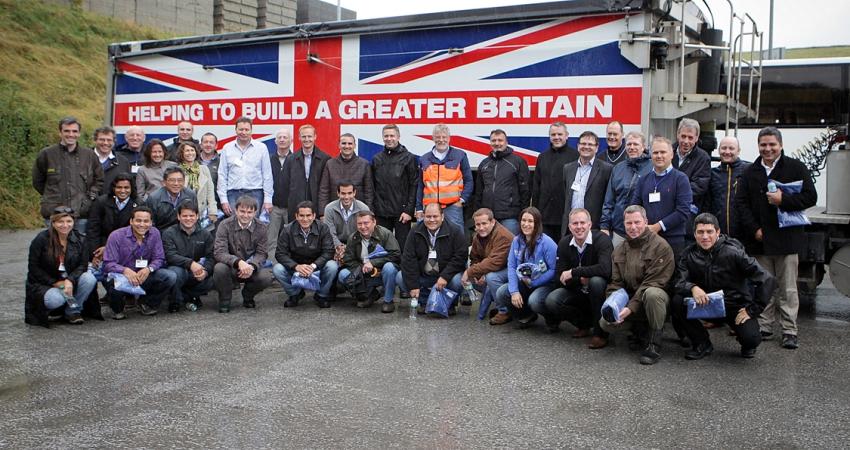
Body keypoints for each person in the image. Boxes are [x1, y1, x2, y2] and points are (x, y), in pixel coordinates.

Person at [735, 127, 817, 350]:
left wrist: (784, 200)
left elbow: (811, 196)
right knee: (764, 287)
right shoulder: (750, 172)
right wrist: (754, 230)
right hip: (760, 240)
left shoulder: (795, 167)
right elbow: (741, 204)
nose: (767, 148)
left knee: (788, 289)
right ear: (758, 146)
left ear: (780, 145)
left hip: (787, 240)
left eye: (772, 144)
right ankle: (765, 325)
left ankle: (790, 330)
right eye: (763, 144)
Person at [672, 213, 776, 359]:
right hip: (705, 304)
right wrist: (692, 287)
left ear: (718, 232)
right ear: (694, 234)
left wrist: (752, 310)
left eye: (709, 232)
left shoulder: (734, 252)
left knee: (751, 339)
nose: (705, 236)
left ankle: (747, 342)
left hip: (733, 306)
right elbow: (677, 282)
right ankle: (702, 343)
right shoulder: (687, 254)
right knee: (677, 301)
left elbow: (767, 280)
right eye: (700, 232)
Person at [599, 205, 675, 365]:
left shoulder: (661, 247)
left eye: (637, 222)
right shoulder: (619, 250)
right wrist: (614, 304)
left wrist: (630, 308)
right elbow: (616, 283)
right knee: (605, 323)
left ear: (646, 222)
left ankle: (654, 343)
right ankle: (638, 331)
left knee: (652, 294)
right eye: (629, 223)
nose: (633, 227)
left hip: (657, 301)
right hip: (632, 301)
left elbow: (653, 283)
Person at [541, 208, 613, 348]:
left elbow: (605, 269)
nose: (579, 227)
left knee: (596, 281)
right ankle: (584, 324)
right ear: (569, 227)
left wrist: (574, 272)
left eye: (582, 223)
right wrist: (580, 279)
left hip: (599, 291)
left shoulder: (602, 240)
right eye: (575, 223)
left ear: (590, 225)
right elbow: (559, 277)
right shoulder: (564, 243)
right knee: (552, 300)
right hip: (577, 289)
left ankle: (600, 334)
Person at [25, 207, 98, 326]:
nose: (65, 225)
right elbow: (34, 268)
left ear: (74, 222)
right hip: (45, 283)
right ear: (53, 223)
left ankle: (73, 311)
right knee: (55, 300)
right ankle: (55, 309)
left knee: (90, 278)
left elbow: (83, 265)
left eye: (69, 221)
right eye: (60, 222)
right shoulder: (41, 239)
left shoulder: (81, 239)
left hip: (70, 280)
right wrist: (54, 282)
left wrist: (70, 280)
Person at [102, 206, 177, 319]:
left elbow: (159, 258)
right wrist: (125, 271)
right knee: (111, 282)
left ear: (151, 222)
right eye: (138, 220)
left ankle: (146, 303)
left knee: (169, 276)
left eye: (146, 221)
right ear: (131, 221)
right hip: (121, 276)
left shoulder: (155, 233)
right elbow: (108, 263)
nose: (142, 224)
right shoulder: (116, 236)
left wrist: (149, 269)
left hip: (143, 275)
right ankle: (117, 308)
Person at [32, 116, 104, 233]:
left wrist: (89, 198)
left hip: (81, 214)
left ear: (79, 133)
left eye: (74, 131)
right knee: (54, 249)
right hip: (54, 214)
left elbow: (99, 179)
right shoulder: (46, 154)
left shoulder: (89, 155)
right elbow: (38, 182)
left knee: (79, 249)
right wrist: (52, 195)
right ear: (60, 132)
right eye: (67, 131)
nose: (71, 134)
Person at [490, 207, 557, 327]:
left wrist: (534, 283)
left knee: (534, 301)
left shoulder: (547, 243)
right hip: (525, 282)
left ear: (537, 223)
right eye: (523, 220)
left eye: (530, 221)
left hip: (545, 284)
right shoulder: (516, 240)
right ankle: (526, 315)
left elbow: (554, 269)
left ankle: (552, 318)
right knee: (502, 292)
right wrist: (514, 291)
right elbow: (511, 266)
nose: (526, 224)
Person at [399, 203, 468, 315]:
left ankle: (449, 304)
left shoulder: (455, 231)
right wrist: (413, 285)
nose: (432, 220)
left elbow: (460, 256)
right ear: (423, 216)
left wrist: (445, 277)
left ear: (442, 216)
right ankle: (424, 302)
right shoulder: (415, 231)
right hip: (424, 274)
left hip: (446, 276)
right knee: (400, 277)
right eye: (428, 216)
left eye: (435, 216)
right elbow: (408, 258)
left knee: (457, 281)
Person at [629, 136, 693, 259]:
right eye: (655, 152)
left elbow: (683, 211)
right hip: (647, 239)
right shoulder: (643, 180)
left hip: (673, 240)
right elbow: (635, 208)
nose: (659, 156)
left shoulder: (681, 179)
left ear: (671, 155)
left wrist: (657, 226)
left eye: (663, 152)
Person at [213, 195, 275, 313]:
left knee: (267, 276)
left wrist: (251, 266)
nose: (245, 215)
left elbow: (262, 253)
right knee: (219, 268)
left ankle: (248, 296)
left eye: (249, 212)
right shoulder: (224, 225)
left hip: (251, 268)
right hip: (231, 267)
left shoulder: (261, 227)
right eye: (242, 211)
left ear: (255, 212)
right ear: (236, 210)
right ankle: (225, 299)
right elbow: (219, 251)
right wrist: (238, 262)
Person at [273, 201, 338, 308]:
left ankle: (321, 295)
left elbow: (329, 251)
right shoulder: (287, 230)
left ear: (314, 216)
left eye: (308, 215)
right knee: (277, 269)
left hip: (317, 266)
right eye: (301, 215)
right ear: (296, 216)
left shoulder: (323, 228)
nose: (305, 219)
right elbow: (280, 253)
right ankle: (295, 294)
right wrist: (296, 266)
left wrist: (313, 266)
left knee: (332, 266)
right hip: (296, 266)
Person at [339, 211, 402, 313]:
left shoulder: (385, 234)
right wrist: (362, 268)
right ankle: (370, 295)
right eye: (360, 224)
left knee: (390, 268)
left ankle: (388, 300)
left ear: (374, 222)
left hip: (381, 272)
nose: (363, 227)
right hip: (363, 272)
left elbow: (396, 255)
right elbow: (348, 260)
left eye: (366, 223)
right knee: (343, 274)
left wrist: (373, 263)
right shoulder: (353, 238)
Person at [456, 208, 514, 317]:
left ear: (492, 222)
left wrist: (470, 272)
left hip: (510, 271)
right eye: (478, 225)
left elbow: (495, 262)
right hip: (493, 269)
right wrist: (479, 273)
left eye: (484, 223)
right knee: (469, 273)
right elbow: (474, 258)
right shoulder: (478, 236)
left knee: (491, 277)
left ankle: (504, 311)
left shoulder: (503, 236)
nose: (481, 228)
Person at [415, 123, 474, 232]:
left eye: (444, 137)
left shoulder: (460, 155)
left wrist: (461, 200)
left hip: (452, 207)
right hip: (430, 208)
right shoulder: (424, 159)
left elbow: (469, 180)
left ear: (449, 138)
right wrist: (419, 208)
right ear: (433, 138)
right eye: (438, 137)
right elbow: (420, 186)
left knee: (456, 237)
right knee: (429, 238)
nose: (441, 140)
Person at [600, 131, 653, 247]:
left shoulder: (653, 168)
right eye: (629, 144)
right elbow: (609, 200)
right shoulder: (618, 168)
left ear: (643, 147)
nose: (632, 147)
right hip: (619, 230)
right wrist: (604, 226)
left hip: (643, 231)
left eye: (635, 144)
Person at [371, 124, 418, 251]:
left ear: (398, 137)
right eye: (386, 136)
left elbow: (414, 185)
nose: (389, 138)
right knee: (381, 248)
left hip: (401, 213)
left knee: (403, 248)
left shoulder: (409, 158)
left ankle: (402, 271)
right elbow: (373, 186)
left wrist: (409, 210)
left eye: (392, 135)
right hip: (381, 213)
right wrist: (374, 210)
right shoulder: (377, 159)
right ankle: (385, 271)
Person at [473, 129, 530, 235]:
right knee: (488, 249)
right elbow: (479, 192)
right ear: (490, 142)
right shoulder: (484, 164)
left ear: (506, 142)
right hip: (488, 217)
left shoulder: (518, 162)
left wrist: (522, 214)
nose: (497, 143)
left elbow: (525, 191)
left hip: (510, 217)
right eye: (494, 140)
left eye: (500, 140)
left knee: (509, 247)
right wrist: (478, 213)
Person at [162, 201, 215, 312]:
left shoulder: (205, 234)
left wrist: (205, 271)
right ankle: (175, 301)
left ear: (197, 216)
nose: (188, 219)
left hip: (197, 271)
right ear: (178, 216)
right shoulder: (169, 233)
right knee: (175, 274)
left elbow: (211, 257)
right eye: (184, 216)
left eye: (191, 215)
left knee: (215, 276)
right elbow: (170, 255)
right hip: (178, 268)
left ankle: (190, 296)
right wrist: (190, 263)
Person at [217, 117, 273, 217]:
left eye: (246, 129)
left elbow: (267, 175)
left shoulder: (261, 148)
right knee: (234, 227)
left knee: (254, 227)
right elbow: (222, 175)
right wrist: (223, 200)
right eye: (241, 129)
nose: (243, 132)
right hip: (233, 194)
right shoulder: (227, 148)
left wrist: (268, 199)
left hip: (255, 193)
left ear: (251, 130)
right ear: (236, 130)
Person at [532, 121, 579, 239]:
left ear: (566, 136)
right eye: (553, 135)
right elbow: (536, 186)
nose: (556, 137)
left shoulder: (575, 156)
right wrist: (536, 213)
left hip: (566, 215)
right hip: (545, 215)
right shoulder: (542, 157)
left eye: (560, 134)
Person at [560, 131, 612, 237]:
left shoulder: (606, 169)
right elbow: (566, 196)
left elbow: (608, 200)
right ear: (578, 146)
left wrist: (604, 226)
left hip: (594, 227)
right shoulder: (568, 168)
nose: (586, 147)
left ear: (597, 148)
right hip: (571, 227)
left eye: (590, 144)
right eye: (583, 144)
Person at [86, 174, 139, 270]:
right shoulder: (101, 202)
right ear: (113, 188)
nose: (123, 191)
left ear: (132, 188)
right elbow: (93, 230)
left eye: (126, 187)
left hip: (127, 249)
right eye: (119, 187)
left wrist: (109, 248)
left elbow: (136, 234)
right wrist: (95, 254)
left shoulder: (138, 204)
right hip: (101, 246)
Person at [318, 133, 374, 213]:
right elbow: (324, 191)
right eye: (344, 143)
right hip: (335, 212)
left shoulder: (364, 164)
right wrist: (323, 213)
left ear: (354, 145)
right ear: (339, 145)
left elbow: (369, 192)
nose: (347, 146)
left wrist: (368, 213)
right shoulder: (330, 164)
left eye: (350, 143)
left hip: (358, 213)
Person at [285, 124, 331, 221]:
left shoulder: (325, 159)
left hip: (317, 205)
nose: (307, 139)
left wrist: (323, 210)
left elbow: (326, 187)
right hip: (296, 206)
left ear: (315, 137)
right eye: (304, 136)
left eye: (309, 136)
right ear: (299, 138)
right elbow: (286, 185)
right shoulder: (291, 159)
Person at [709, 136, 750, 237]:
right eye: (723, 148)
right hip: (719, 235)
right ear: (718, 150)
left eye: (731, 148)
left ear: (738, 151)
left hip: (745, 235)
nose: (727, 152)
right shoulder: (713, 174)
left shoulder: (748, 171)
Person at [673, 118, 711, 223]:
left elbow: (699, 186)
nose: (686, 141)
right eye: (683, 136)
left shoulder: (703, 158)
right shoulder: (668, 152)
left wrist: (671, 191)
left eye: (690, 138)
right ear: (677, 134)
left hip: (687, 214)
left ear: (696, 138)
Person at [324, 182, 370, 263]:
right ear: (338, 193)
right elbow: (330, 234)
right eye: (343, 193)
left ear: (354, 193)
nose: (346, 197)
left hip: (357, 247)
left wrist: (349, 250)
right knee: (331, 267)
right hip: (336, 247)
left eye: (349, 193)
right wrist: (339, 247)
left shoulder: (363, 208)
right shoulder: (329, 209)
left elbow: (366, 232)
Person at [175, 141, 217, 226]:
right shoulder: (177, 170)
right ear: (181, 153)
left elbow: (210, 192)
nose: (190, 153)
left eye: (192, 150)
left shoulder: (204, 169)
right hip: (184, 214)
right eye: (187, 151)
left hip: (202, 213)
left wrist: (213, 211)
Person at [146, 166, 198, 231]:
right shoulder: (154, 198)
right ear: (164, 182)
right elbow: (151, 224)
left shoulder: (190, 195)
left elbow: (196, 219)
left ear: (184, 182)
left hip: (185, 233)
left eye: (180, 180)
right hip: (162, 234)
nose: (176, 184)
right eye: (172, 180)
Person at [268, 128, 292, 264]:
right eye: (280, 137)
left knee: (291, 239)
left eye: (285, 137)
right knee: (271, 239)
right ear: (275, 141)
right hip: (273, 207)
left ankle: (290, 266)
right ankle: (273, 269)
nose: (282, 140)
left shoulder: (295, 159)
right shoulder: (268, 159)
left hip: (291, 207)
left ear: (290, 141)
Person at [92, 126, 130, 195]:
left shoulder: (123, 162)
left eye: (109, 140)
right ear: (95, 140)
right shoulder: (85, 158)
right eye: (102, 139)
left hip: (112, 204)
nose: (105, 143)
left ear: (114, 142)